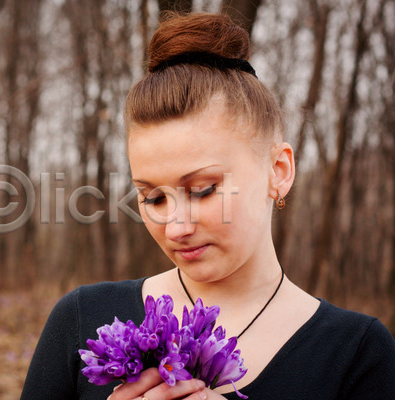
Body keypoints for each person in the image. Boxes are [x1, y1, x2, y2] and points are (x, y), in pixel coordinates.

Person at [20, 12, 395, 400]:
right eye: (154, 198)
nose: (175, 227)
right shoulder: (84, 320)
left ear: (278, 170)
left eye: (202, 189)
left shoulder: (356, 353)